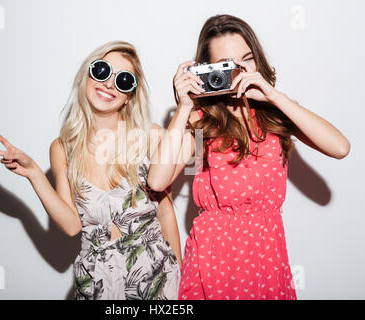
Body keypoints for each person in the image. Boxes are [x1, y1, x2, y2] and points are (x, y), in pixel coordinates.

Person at [147, 14, 350, 300]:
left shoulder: (276, 114)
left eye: (247, 59)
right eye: (227, 65)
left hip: (267, 254)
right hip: (212, 256)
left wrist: (275, 97)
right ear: (207, 70)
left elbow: (340, 148)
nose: (239, 71)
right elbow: (157, 181)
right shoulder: (200, 121)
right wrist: (183, 108)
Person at [0, 41, 182, 300]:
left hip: (157, 279)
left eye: (123, 80)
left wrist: (180, 280)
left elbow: (166, 213)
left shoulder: (151, 137)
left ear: (130, 94)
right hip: (98, 282)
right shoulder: (62, 148)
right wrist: (35, 175)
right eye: (102, 71)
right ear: (87, 74)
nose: (109, 84)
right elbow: (71, 226)